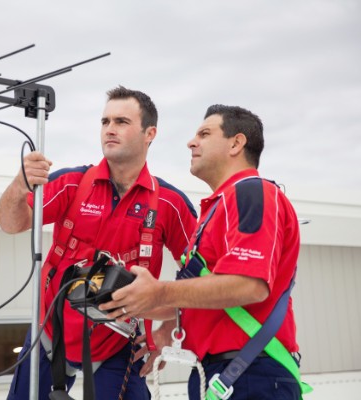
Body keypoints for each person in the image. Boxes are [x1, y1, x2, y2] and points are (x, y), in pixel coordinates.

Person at [0, 86, 198, 399]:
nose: (110, 129)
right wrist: (19, 183)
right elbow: (11, 223)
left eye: (121, 121)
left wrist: (166, 330)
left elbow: (204, 277)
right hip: (51, 333)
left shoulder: (169, 204)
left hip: (120, 344)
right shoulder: (73, 184)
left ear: (150, 133)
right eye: (105, 122)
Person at [101, 104, 305, 399]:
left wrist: (158, 292)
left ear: (236, 143)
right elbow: (208, 295)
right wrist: (148, 317)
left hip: (252, 374)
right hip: (223, 374)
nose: (191, 142)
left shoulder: (251, 192)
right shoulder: (214, 211)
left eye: (205, 134)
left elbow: (250, 284)